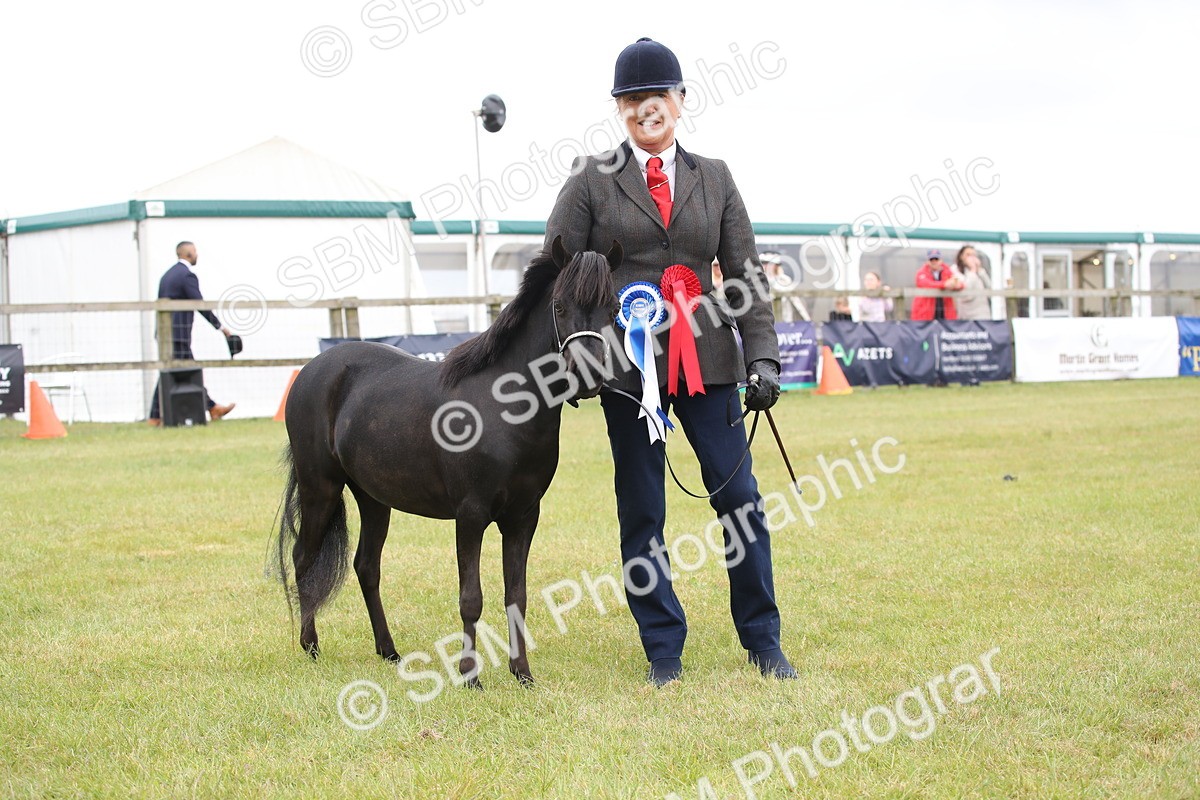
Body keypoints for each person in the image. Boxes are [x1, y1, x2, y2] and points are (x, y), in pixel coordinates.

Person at [544, 37, 796, 686]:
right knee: (642, 509)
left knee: (740, 499)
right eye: (630, 100)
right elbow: (558, 270)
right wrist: (575, 349)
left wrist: (762, 357)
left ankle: (763, 641)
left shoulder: (717, 177)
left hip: (707, 362)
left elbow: (744, 276)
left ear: (680, 102)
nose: (643, 109)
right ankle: (663, 650)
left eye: (654, 97)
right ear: (619, 110)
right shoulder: (591, 180)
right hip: (629, 375)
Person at [147, 241, 236, 425]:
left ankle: (155, 416)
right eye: (195, 251)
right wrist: (220, 327)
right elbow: (199, 304)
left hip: (166, 334)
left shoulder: (167, 275)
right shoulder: (187, 276)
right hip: (178, 335)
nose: (197, 254)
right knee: (189, 372)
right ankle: (212, 407)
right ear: (188, 253)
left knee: (169, 371)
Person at [911, 248, 963, 320]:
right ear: (927, 261)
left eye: (936, 259)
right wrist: (944, 284)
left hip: (945, 313)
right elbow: (925, 283)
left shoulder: (947, 271)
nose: (934, 261)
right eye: (931, 259)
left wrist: (956, 285)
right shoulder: (921, 272)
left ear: (941, 260)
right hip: (926, 315)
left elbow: (959, 283)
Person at [954, 245, 992, 320]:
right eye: (968, 255)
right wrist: (972, 270)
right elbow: (966, 292)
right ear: (961, 257)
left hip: (983, 314)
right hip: (967, 316)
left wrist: (980, 271)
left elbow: (989, 287)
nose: (971, 258)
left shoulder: (980, 272)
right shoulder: (955, 271)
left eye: (973, 255)